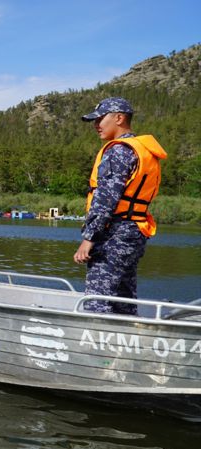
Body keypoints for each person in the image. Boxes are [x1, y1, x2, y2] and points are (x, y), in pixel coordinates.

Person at [73, 97, 167, 314]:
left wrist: (89, 239)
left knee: (97, 300)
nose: (96, 125)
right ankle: (127, 343)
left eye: (100, 119)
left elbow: (106, 199)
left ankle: (95, 344)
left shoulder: (118, 151)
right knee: (124, 299)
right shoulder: (141, 150)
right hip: (135, 231)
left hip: (114, 234)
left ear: (119, 118)